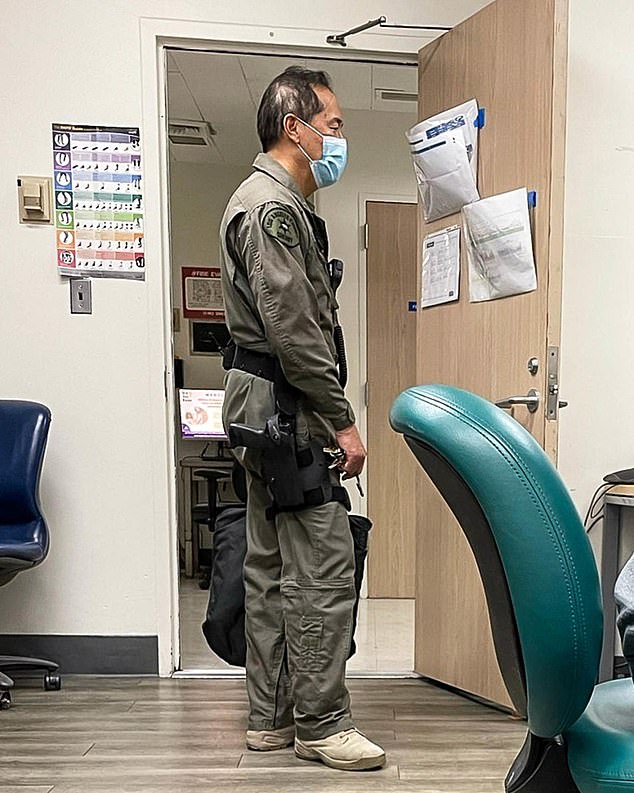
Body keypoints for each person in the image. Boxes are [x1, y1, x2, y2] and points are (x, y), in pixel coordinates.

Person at [219, 66, 386, 772]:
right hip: (290, 413)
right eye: (335, 125)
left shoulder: (265, 200)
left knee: (268, 563)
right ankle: (321, 721)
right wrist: (342, 420)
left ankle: (272, 716)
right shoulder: (273, 209)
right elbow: (296, 332)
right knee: (321, 561)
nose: (338, 138)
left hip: (264, 412)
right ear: (297, 127)